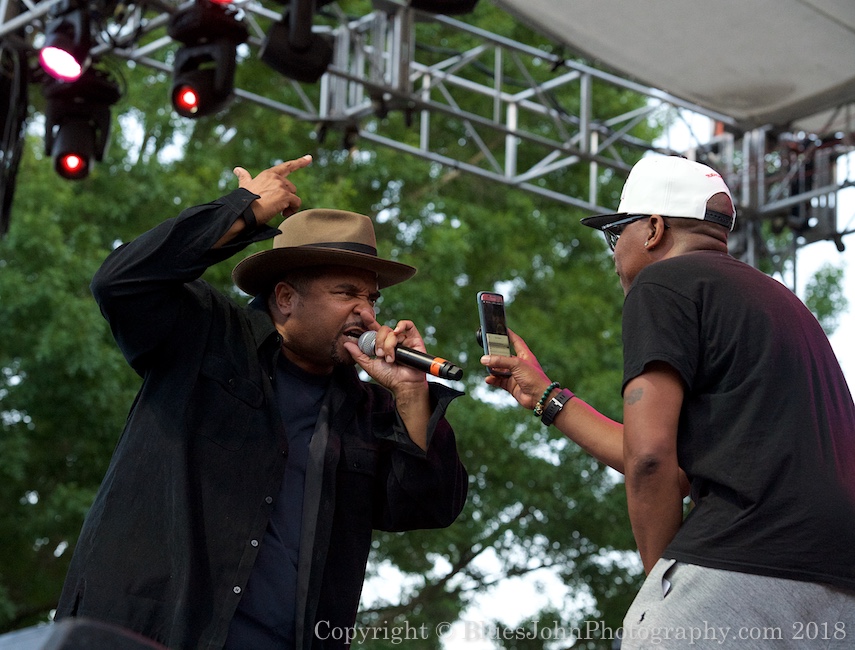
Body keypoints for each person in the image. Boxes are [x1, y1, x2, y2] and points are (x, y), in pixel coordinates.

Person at [55, 155, 468, 650]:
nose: (366, 311)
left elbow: (429, 505)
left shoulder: (369, 412)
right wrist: (242, 210)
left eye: (372, 299)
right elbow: (119, 283)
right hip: (145, 634)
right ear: (286, 298)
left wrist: (409, 392)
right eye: (346, 293)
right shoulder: (206, 333)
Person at [479, 155, 855, 648]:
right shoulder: (782, 302)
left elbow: (651, 460)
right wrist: (544, 396)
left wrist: (662, 588)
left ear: (653, 228)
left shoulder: (664, 284)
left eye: (617, 234)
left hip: (741, 559)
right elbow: (670, 466)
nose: (614, 254)